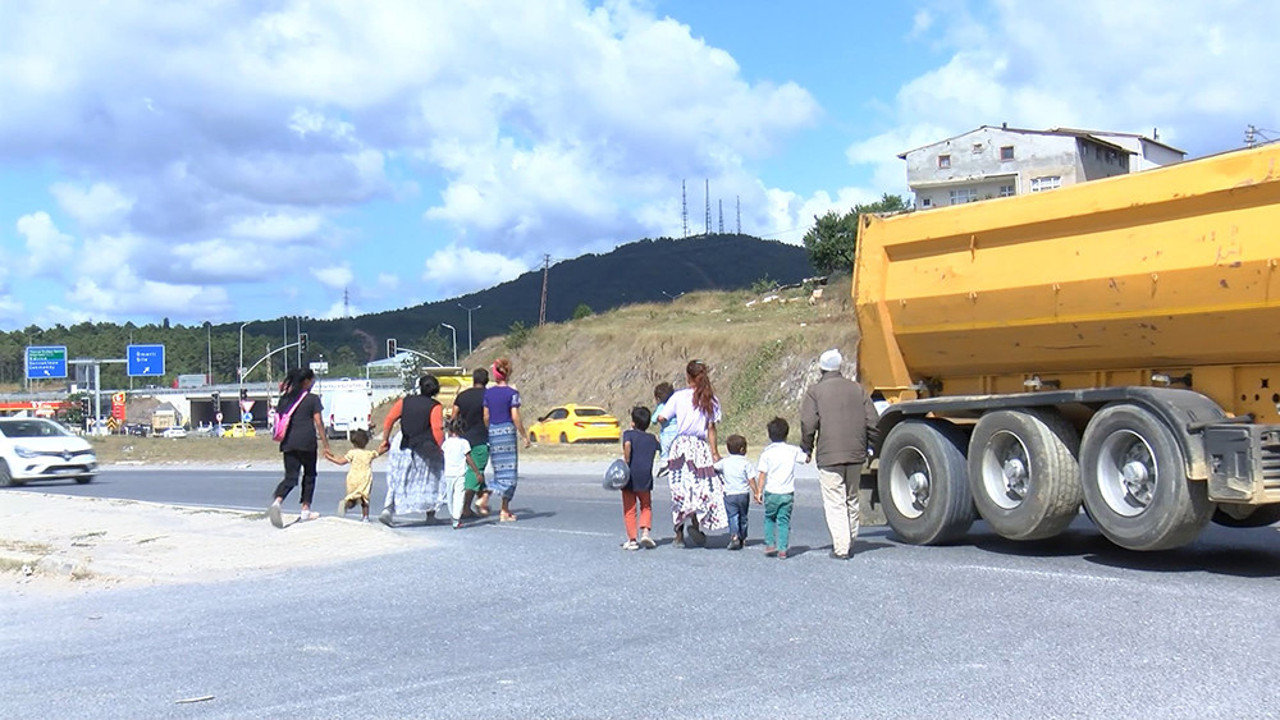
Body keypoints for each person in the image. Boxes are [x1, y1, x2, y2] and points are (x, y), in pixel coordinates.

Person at [800, 348, 879, 560]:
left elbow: (808, 424)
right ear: (840, 367)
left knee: (835, 500)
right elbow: (872, 421)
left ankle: (842, 547)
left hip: (829, 455)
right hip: (856, 454)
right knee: (852, 497)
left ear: (821, 368)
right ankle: (850, 538)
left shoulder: (815, 392)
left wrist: (806, 448)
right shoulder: (858, 389)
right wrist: (871, 444)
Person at [656, 360, 727, 547]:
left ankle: (678, 534)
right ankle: (696, 525)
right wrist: (715, 453)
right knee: (699, 488)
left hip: (681, 448)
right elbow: (711, 428)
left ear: (688, 377)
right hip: (700, 449)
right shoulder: (711, 398)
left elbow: (662, 417)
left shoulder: (679, 397)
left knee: (679, 489)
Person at [378, 374, 448, 526]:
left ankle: (388, 509)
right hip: (424, 448)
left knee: (398, 478)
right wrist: (441, 448)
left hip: (402, 444)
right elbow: (437, 429)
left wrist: (385, 439)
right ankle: (430, 513)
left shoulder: (405, 401)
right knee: (431, 478)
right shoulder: (435, 406)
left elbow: (389, 419)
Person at [267, 368, 331, 528]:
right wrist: (325, 444)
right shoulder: (312, 399)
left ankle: (277, 502)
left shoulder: (285, 399)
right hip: (307, 442)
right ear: (306, 381)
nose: (314, 382)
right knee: (309, 475)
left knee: (291, 476)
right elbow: (318, 422)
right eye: (312, 379)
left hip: (288, 442)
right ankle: (305, 510)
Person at [753, 417, 807, 560]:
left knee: (770, 518)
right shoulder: (792, 450)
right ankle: (783, 549)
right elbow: (805, 459)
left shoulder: (767, 453)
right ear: (786, 434)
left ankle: (770, 543)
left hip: (771, 491)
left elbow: (762, 474)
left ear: (769, 435)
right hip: (787, 492)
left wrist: (758, 491)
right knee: (783, 520)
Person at [484, 358, 530, 522]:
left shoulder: (488, 393)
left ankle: (485, 495)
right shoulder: (512, 393)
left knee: (498, 470)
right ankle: (504, 509)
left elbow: (486, 416)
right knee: (510, 473)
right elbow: (515, 417)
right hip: (508, 433)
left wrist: (489, 430)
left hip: (494, 432)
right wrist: (524, 435)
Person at [452, 368, 491, 516]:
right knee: (476, 472)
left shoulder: (462, 396)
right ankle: (465, 508)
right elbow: (488, 417)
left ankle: (482, 502)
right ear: (486, 381)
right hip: (481, 438)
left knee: (472, 470)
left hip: (464, 438)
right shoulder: (488, 396)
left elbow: (453, 417)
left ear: (473, 380)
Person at [324, 428, 385, 522]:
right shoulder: (368, 454)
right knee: (364, 498)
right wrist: (385, 444)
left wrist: (330, 458)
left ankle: (347, 504)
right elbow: (379, 452)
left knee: (352, 497)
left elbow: (341, 462)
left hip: (353, 478)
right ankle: (365, 517)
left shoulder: (352, 453)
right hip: (365, 478)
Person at [620, 406, 660, 550]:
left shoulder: (628, 434)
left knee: (630, 509)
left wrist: (626, 461)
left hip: (630, 476)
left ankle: (632, 540)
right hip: (645, 476)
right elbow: (660, 447)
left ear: (633, 423)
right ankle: (645, 532)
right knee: (646, 505)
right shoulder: (651, 439)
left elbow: (628, 445)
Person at [714, 434, 754, 550]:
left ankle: (734, 537)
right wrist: (756, 492)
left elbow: (714, 468)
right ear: (742, 450)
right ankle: (743, 537)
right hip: (743, 494)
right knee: (743, 516)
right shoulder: (746, 463)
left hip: (730, 494)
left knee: (733, 516)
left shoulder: (725, 462)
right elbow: (751, 479)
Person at [442, 416, 482, 529]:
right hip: (460, 474)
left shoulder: (446, 443)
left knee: (450, 496)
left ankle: (453, 516)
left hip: (448, 473)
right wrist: (477, 472)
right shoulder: (464, 443)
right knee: (459, 496)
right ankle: (456, 518)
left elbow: (443, 455)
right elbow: (469, 458)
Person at [652, 382, 678, 464]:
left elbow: (653, 420)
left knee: (665, 453)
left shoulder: (662, 406)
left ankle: (665, 465)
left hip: (666, 433)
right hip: (678, 431)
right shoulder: (676, 405)